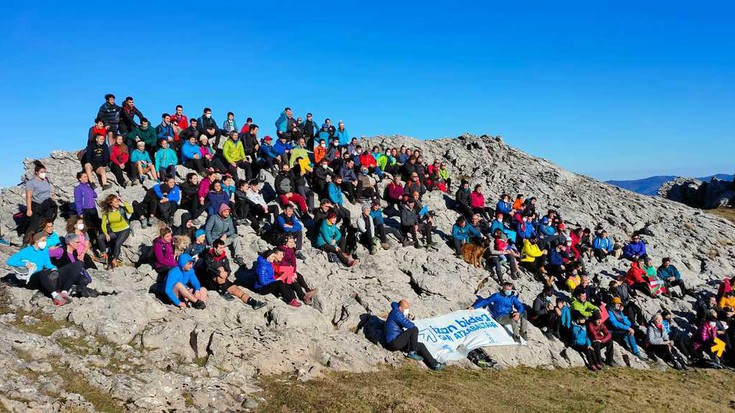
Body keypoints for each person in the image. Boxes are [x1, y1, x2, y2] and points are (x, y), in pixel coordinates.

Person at [7, 232, 82, 306]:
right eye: (43, 240)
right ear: (36, 241)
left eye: (46, 240)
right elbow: (10, 261)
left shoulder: (44, 251)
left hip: (42, 278)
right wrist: (25, 264)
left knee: (78, 264)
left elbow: (48, 264)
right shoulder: (27, 250)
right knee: (42, 272)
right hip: (29, 279)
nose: (45, 242)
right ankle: (55, 295)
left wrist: (53, 268)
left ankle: (64, 292)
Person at [201, 239, 265, 309]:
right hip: (211, 281)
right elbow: (208, 268)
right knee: (221, 269)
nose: (222, 249)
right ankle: (222, 291)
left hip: (222, 280)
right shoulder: (208, 256)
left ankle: (254, 303)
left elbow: (228, 270)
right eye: (220, 248)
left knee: (237, 290)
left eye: (223, 247)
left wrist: (226, 274)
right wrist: (219, 273)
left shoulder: (224, 257)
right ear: (215, 248)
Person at [384, 299, 445, 371]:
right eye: (406, 309)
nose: (407, 310)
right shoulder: (397, 314)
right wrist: (407, 320)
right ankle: (411, 353)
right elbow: (410, 325)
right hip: (394, 342)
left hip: (398, 340)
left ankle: (435, 365)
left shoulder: (397, 311)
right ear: (400, 307)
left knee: (420, 346)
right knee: (414, 329)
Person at [277, 235, 318, 304]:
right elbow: (281, 262)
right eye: (290, 242)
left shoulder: (291, 249)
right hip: (281, 269)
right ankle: (303, 296)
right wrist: (291, 271)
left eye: (293, 242)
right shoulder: (280, 250)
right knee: (294, 280)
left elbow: (294, 262)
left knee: (299, 276)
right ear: (285, 243)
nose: (293, 244)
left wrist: (293, 271)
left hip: (289, 269)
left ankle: (307, 290)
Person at [23, 162, 57, 243]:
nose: (43, 173)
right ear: (36, 172)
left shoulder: (46, 180)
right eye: (41, 172)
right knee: (34, 225)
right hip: (37, 205)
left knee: (48, 223)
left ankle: (45, 241)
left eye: (44, 172)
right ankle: (26, 243)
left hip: (48, 205)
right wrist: (29, 209)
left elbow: (48, 191)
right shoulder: (31, 183)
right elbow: (28, 196)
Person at [98, 194, 132, 269]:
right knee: (100, 237)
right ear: (111, 203)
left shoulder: (121, 209)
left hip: (124, 229)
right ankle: (104, 254)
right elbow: (103, 224)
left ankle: (114, 260)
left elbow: (131, 210)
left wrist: (123, 201)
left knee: (117, 243)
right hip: (115, 231)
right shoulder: (106, 213)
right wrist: (106, 234)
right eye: (116, 201)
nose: (118, 203)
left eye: (118, 201)